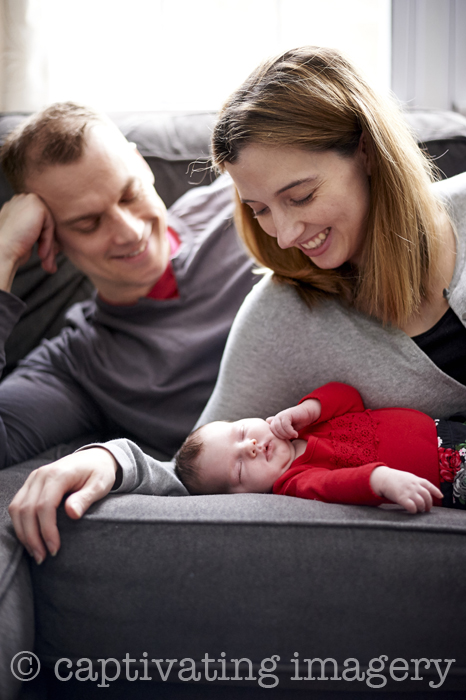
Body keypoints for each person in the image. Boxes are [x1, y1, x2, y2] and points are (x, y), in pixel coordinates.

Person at [9, 47, 466, 559]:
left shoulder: (238, 214)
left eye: (301, 197)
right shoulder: (280, 310)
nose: (287, 235)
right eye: (88, 223)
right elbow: (201, 467)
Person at [0, 101, 257, 557]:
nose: (129, 231)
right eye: (88, 222)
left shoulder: (249, 206)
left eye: (129, 194)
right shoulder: (79, 363)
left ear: (141, 164)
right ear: (49, 239)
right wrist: (2, 255)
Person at [174, 381, 466, 513]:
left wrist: (310, 409)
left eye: (241, 431)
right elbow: (335, 484)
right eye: (238, 468)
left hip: (447, 430)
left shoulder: (301, 423)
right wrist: (380, 478)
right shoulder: (294, 483)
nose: (248, 447)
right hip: (449, 478)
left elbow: (349, 398)